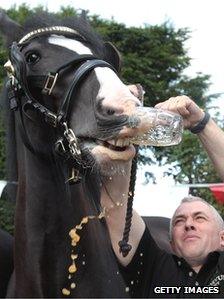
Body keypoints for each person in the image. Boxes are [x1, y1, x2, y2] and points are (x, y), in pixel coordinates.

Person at [100, 95, 224, 298]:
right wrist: (119, 131)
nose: (189, 224)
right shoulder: (155, 269)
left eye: (200, 218)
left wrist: (201, 122)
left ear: (223, 238)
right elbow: (115, 207)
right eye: (179, 221)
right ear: (172, 243)